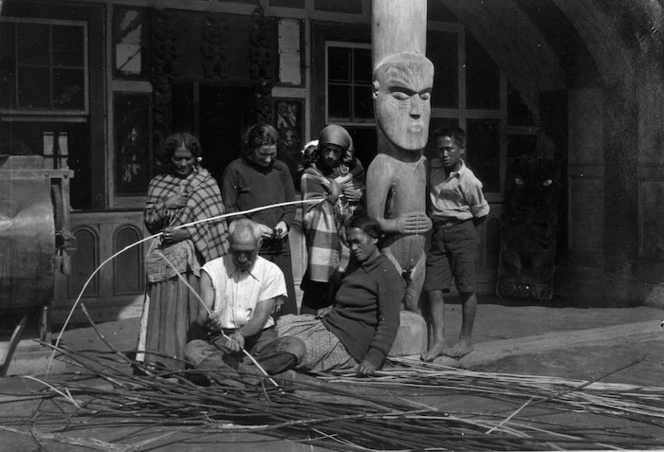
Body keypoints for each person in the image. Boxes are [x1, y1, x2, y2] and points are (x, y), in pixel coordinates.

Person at [140, 132, 229, 372]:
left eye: (187, 158)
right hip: (167, 260)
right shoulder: (158, 183)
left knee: (192, 310)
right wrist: (166, 204)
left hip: (195, 262)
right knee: (167, 312)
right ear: (169, 158)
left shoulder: (206, 182)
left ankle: (194, 363)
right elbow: (150, 221)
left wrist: (186, 234)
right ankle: (166, 361)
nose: (182, 164)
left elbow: (215, 223)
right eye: (177, 158)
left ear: (195, 157)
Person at [278, 215, 405, 377]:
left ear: (374, 239)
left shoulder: (386, 273)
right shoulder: (357, 263)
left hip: (350, 342)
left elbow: (390, 322)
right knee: (280, 328)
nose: (353, 248)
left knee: (295, 349)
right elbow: (353, 296)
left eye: (357, 241)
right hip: (333, 325)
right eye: (350, 242)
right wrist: (332, 307)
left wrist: (373, 359)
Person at [184, 219, 305, 386]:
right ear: (229, 243)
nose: (242, 258)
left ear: (259, 243)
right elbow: (201, 316)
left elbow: (261, 316)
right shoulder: (211, 270)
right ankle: (259, 379)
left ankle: (230, 377)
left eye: (248, 252)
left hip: (260, 341)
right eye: (236, 251)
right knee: (193, 349)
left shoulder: (271, 272)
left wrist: (241, 335)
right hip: (222, 342)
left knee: (295, 347)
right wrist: (207, 322)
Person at [422, 125, 490, 361]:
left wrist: (473, 242)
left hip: (463, 233)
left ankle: (465, 340)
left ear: (461, 149)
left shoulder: (469, 180)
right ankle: (439, 341)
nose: (444, 154)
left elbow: (481, 213)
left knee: (466, 288)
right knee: (432, 287)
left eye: (449, 148)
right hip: (438, 234)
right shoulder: (432, 166)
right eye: (440, 149)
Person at [222, 123, 298, 316]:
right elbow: (229, 210)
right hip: (252, 248)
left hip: (279, 246)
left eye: (272, 153)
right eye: (263, 153)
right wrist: (252, 226)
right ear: (250, 149)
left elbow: (291, 205)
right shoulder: (235, 170)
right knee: (253, 299)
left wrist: (285, 223)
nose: (268, 159)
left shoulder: (281, 169)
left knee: (282, 298)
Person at [299, 124, 365, 315]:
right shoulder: (311, 176)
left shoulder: (353, 173)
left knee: (343, 289)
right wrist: (333, 198)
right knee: (317, 292)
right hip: (323, 246)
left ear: (343, 154)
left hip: (346, 242)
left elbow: (362, 208)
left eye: (336, 152)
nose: (330, 156)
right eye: (327, 150)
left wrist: (360, 196)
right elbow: (309, 215)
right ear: (320, 150)